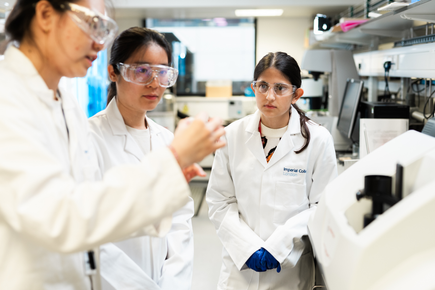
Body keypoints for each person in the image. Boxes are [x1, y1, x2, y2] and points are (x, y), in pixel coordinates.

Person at [0, 0, 225, 289]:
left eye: (105, 29)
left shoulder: (65, 104)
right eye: (93, 24)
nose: (100, 40)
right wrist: (172, 160)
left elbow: (92, 226)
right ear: (45, 14)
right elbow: (63, 218)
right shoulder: (8, 98)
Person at [206, 52, 337, 290]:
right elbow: (220, 201)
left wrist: (277, 247)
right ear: (253, 88)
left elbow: (321, 206)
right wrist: (248, 248)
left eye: (280, 88)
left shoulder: (318, 139)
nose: (269, 96)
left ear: (296, 94)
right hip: (239, 270)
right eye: (263, 86)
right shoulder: (232, 135)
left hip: (289, 271)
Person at [87, 27, 197, 290]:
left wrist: (172, 283)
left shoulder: (167, 140)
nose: (154, 83)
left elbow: (180, 222)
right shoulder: (88, 139)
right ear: (113, 72)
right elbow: (88, 232)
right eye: (142, 70)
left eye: (162, 72)